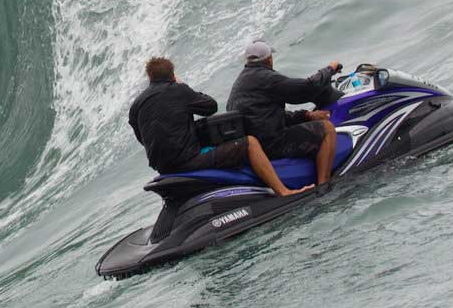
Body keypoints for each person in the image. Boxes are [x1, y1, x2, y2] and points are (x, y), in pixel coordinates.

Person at [128, 57, 311, 196]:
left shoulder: (136, 105)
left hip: (163, 168)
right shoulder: (178, 90)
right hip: (187, 162)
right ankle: (283, 191)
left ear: (150, 77)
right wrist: (181, 86)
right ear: (172, 75)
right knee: (250, 143)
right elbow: (211, 106)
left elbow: (141, 138)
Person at [227, 41, 342, 185]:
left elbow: (266, 117)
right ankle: (324, 184)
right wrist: (330, 69)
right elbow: (307, 88)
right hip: (272, 144)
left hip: (257, 146)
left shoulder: (242, 80)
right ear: (269, 59)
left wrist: (306, 115)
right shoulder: (266, 78)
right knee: (327, 129)